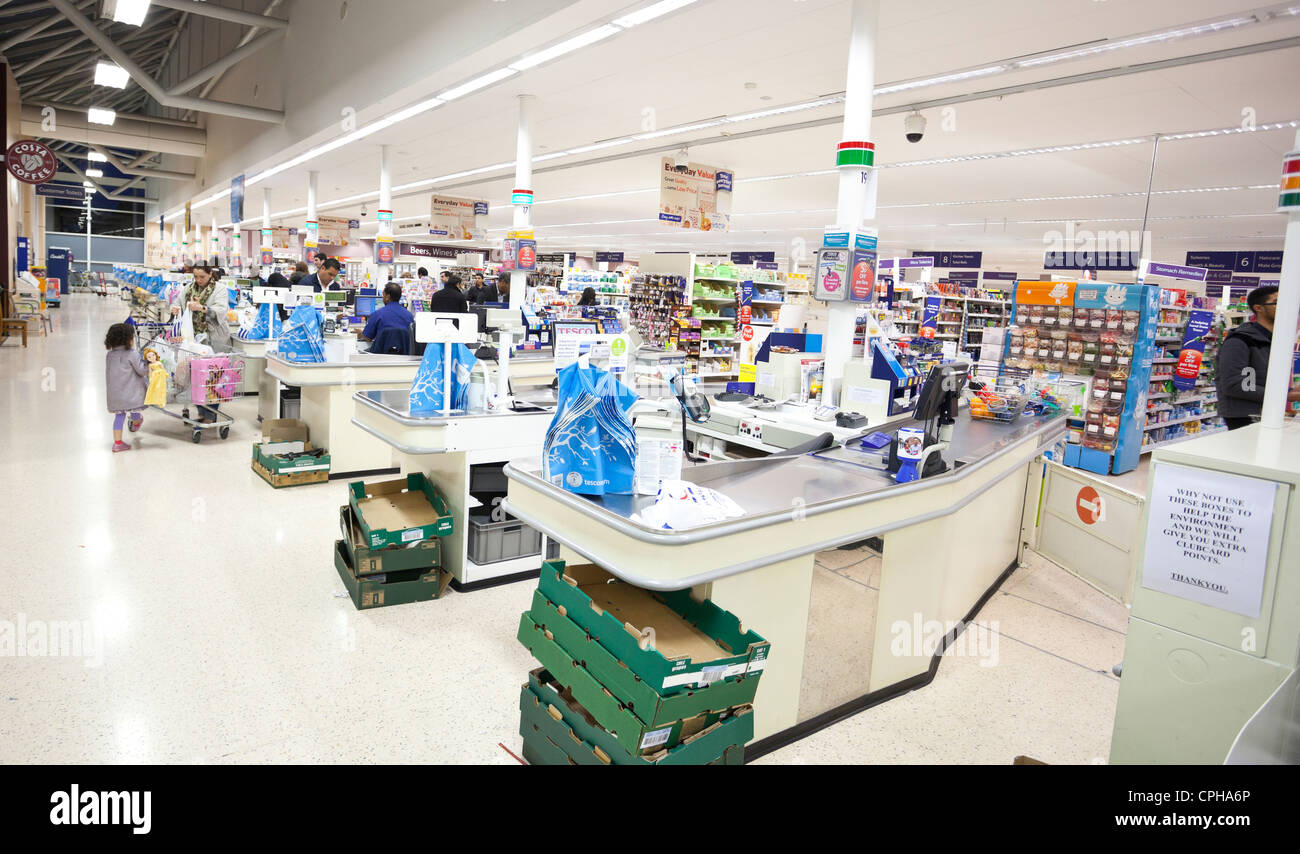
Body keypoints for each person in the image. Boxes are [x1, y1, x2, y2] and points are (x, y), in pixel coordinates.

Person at [1218, 284, 1300, 429]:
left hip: (1268, 412)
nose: (1285, 307)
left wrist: (1290, 391)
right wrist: (1286, 395)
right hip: (1245, 416)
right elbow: (1234, 384)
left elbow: (1263, 379)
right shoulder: (1240, 340)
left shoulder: (1273, 341)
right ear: (1258, 308)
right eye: (1277, 302)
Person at [171, 265, 230, 423]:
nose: (198, 280)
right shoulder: (189, 289)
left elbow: (221, 310)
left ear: (210, 274)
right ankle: (202, 412)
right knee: (196, 376)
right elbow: (177, 302)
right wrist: (175, 308)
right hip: (194, 339)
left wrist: (203, 308)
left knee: (213, 376)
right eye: (195, 277)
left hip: (214, 336)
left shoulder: (220, 289)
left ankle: (210, 415)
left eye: (202, 277)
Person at [105, 322, 146, 453]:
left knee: (119, 417)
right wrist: (149, 366)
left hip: (115, 394)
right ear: (128, 339)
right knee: (135, 411)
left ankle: (117, 443)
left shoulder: (110, 355)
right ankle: (136, 422)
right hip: (131, 393)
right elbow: (140, 371)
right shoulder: (132, 354)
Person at [359, 282, 416, 348]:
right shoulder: (409, 315)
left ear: (387, 297)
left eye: (383, 295)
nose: (382, 298)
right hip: (404, 356)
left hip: (380, 356)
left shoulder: (377, 314)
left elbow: (367, 338)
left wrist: (360, 333)